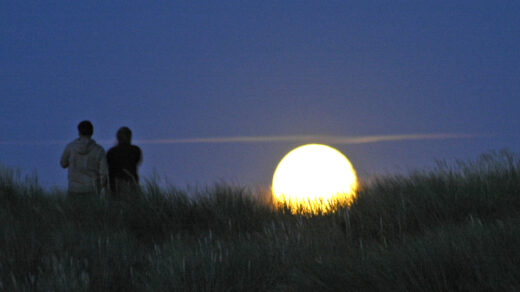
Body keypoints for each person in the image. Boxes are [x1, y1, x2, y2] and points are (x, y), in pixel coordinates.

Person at [60, 120, 108, 196]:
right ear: (92, 132)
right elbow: (104, 173)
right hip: (91, 190)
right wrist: (99, 188)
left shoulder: (70, 147)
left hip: (73, 189)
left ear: (79, 132)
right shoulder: (99, 150)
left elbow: (63, 163)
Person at [106, 127, 142, 198]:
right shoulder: (135, 150)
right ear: (129, 137)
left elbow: (108, 166)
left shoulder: (111, 152)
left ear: (118, 138)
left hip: (114, 186)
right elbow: (138, 161)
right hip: (131, 184)